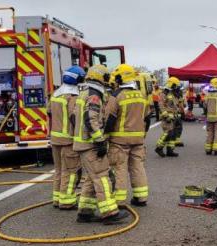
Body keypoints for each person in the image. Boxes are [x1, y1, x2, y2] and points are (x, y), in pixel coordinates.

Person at [73, 64, 126, 224]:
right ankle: (110, 213)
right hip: (91, 145)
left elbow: (76, 118)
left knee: (92, 177)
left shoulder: (83, 93)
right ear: (101, 78)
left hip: (83, 144)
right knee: (102, 177)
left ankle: (85, 212)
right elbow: (91, 120)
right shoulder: (94, 95)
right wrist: (100, 140)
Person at [104, 63, 150, 207]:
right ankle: (141, 197)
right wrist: (142, 135)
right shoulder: (142, 95)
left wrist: (104, 137)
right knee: (138, 167)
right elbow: (147, 119)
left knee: (120, 169)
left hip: (119, 140)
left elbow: (109, 119)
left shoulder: (116, 95)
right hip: (138, 139)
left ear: (120, 78)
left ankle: (119, 201)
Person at [48, 65, 83, 209]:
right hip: (68, 140)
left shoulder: (56, 94)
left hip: (55, 139)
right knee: (70, 172)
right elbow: (74, 117)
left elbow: (49, 112)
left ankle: (57, 199)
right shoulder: (72, 97)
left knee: (58, 170)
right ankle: (67, 201)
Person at [155, 77, 182, 157]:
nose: (177, 87)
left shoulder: (172, 94)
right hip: (167, 117)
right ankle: (159, 148)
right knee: (168, 133)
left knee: (173, 135)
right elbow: (161, 105)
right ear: (172, 85)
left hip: (174, 117)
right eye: (176, 85)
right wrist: (166, 115)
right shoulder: (164, 93)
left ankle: (170, 150)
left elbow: (175, 106)